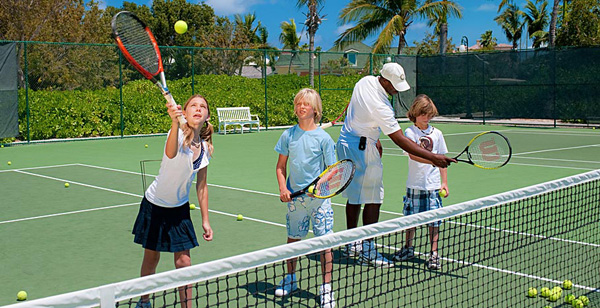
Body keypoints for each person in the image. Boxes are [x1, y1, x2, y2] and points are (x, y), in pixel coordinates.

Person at [337, 62, 454, 267]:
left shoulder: (364, 82)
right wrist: (433, 158)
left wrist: (375, 137)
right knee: (374, 198)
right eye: (393, 86)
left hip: (347, 142)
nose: (395, 90)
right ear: (384, 80)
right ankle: (368, 249)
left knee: (355, 196)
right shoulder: (382, 106)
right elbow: (400, 139)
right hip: (363, 149)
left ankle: (351, 242)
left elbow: (361, 116)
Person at [132, 94, 214, 308]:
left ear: (206, 116)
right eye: (193, 106)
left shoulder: (204, 149)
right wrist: (173, 122)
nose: (198, 109)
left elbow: (202, 186)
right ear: (185, 113)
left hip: (179, 210)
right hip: (155, 206)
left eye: (202, 107)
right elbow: (170, 154)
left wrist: (205, 220)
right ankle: (144, 301)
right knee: (151, 259)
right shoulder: (175, 134)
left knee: (184, 262)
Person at [274, 88, 337, 308]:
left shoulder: (324, 139)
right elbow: (280, 167)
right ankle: (291, 278)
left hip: (320, 201)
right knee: (293, 241)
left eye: (306, 104)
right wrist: (283, 188)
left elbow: (333, 171)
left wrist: (322, 184)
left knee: (325, 244)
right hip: (295, 201)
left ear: (315, 109)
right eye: (299, 103)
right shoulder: (288, 135)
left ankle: (326, 288)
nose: (302, 107)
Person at [392, 94, 448, 270]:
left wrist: (444, 183)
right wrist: (433, 160)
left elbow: (442, 160)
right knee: (411, 219)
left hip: (433, 186)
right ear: (415, 113)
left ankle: (434, 254)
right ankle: (408, 248)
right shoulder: (410, 132)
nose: (426, 117)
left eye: (429, 114)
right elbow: (413, 154)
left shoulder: (438, 134)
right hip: (414, 185)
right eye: (422, 113)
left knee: (434, 221)